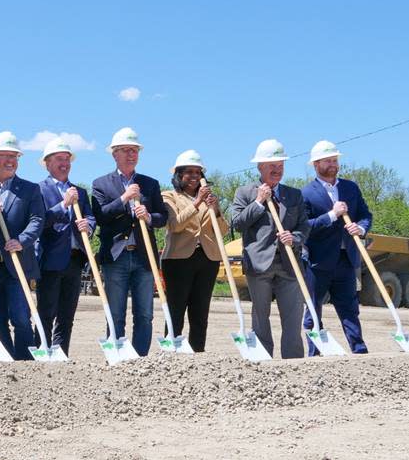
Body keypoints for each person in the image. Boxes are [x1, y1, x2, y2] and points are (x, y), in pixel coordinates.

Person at [91, 127, 167, 356]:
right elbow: (101, 216)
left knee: (145, 313)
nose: (131, 154)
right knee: (115, 312)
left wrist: (149, 217)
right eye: (125, 150)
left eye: (134, 150)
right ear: (114, 154)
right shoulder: (101, 184)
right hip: (116, 256)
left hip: (144, 258)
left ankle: (140, 357)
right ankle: (117, 355)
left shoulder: (150, 184)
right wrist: (124, 198)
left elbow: (163, 217)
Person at [231, 139, 309, 359]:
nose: (277, 169)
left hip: (289, 264)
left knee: (293, 319)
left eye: (280, 165)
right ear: (260, 167)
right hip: (259, 265)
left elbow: (304, 226)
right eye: (272, 165)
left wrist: (294, 237)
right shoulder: (245, 192)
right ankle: (263, 362)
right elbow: (237, 223)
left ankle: (293, 363)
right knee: (260, 318)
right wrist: (257, 202)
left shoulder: (294, 195)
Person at [301, 140, 372, 355]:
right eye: (328, 160)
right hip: (318, 261)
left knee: (350, 309)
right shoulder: (305, 193)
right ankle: (315, 354)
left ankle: (358, 350)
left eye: (335, 160)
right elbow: (305, 227)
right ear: (316, 164)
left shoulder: (350, 188)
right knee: (313, 310)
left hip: (346, 259)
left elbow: (366, 215)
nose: (333, 164)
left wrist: (361, 228)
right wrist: (332, 215)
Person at [0, 131, 44, 360]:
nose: (11, 161)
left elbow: (37, 220)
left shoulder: (30, 189)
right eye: (5, 156)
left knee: (20, 318)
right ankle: (5, 364)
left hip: (18, 265)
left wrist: (22, 241)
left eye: (14, 156)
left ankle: (25, 365)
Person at [160, 150, 228, 352]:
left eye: (198, 172)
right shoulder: (169, 196)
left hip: (208, 258)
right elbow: (175, 225)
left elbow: (222, 231)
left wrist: (215, 210)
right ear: (179, 175)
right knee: (176, 309)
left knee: (200, 311)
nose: (194, 176)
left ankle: (197, 351)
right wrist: (197, 202)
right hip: (178, 259)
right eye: (189, 172)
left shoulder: (210, 200)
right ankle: (171, 350)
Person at [35, 138, 94, 355]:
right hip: (50, 260)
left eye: (67, 159)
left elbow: (90, 217)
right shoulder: (38, 190)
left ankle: (60, 355)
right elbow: (39, 221)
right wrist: (63, 204)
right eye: (59, 159)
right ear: (47, 162)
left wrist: (88, 225)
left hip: (75, 259)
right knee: (46, 312)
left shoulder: (80, 192)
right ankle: (41, 353)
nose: (64, 163)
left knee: (67, 315)